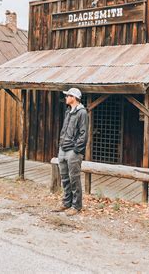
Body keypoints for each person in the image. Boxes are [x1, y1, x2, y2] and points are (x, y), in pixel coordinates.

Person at [54, 87, 88, 216]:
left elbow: (83, 134)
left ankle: (76, 206)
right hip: (63, 149)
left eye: (68, 95)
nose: (66, 97)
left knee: (74, 178)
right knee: (64, 178)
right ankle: (66, 203)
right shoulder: (68, 111)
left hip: (73, 151)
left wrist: (76, 150)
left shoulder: (82, 113)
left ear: (74, 97)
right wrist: (61, 145)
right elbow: (64, 130)